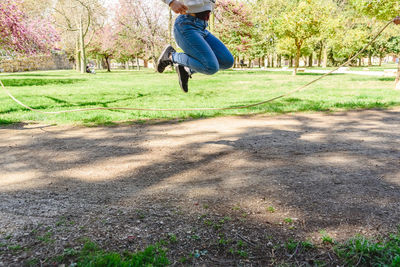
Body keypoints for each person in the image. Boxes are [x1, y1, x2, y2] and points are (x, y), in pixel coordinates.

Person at [157, 0, 234, 93]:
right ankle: (170, 55)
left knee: (227, 61)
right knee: (211, 67)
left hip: (202, 27)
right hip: (186, 25)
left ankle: (186, 69)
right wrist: (171, 2)